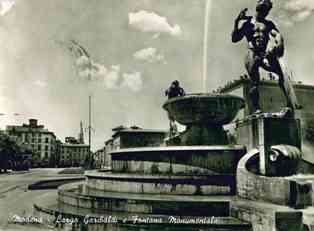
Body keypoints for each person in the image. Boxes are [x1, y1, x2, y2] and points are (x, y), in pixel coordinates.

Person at [231, 0, 300, 114]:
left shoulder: (268, 24)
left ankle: (289, 103)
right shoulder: (248, 24)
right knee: (255, 82)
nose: (265, 13)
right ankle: (256, 109)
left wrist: (279, 42)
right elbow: (235, 38)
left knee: (281, 73)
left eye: (267, 11)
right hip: (252, 53)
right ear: (258, 9)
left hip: (264, 54)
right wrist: (236, 21)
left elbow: (276, 34)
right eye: (263, 10)